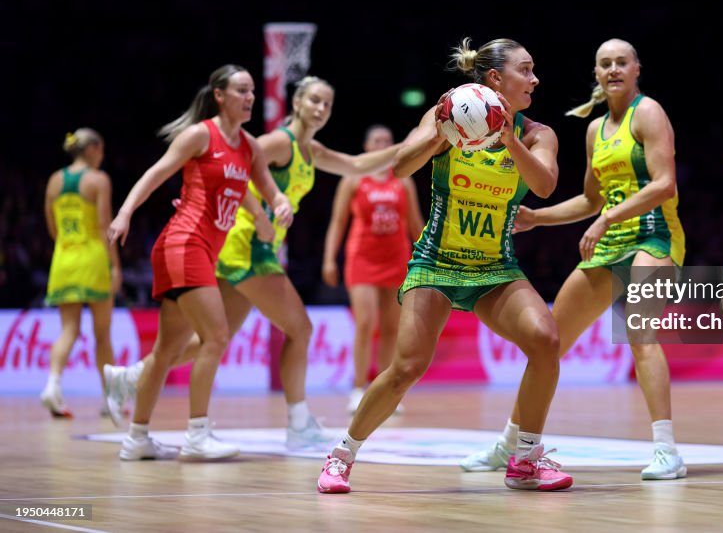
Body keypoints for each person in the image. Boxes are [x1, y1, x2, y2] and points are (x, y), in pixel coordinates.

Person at [317, 38, 571, 494]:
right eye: (526, 70)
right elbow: (398, 167)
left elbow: (546, 184)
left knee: (545, 339)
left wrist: (508, 137)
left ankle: (526, 459)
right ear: (495, 78)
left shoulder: (537, 134)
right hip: (435, 262)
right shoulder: (444, 116)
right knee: (407, 367)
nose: (534, 79)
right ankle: (340, 457)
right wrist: (439, 134)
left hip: (494, 268)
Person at [104, 76, 401, 448]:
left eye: (327, 104)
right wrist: (262, 215)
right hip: (246, 245)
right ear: (296, 103)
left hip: (248, 248)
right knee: (301, 329)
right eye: (314, 101)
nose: (321, 109)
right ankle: (297, 422)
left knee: (208, 340)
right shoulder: (279, 142)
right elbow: (236, 166)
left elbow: (357, 164)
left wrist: (410, 146)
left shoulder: (312, 150)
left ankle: (132, 376)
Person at [460, 38, 689, 480]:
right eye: (605, 64)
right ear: (597, 74)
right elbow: (590, 200)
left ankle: (666, 451)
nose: (613, 69)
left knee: (639, 331)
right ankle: (509, 445)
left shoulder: (649, 112)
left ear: (637, 68)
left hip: (654, 238)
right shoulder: (595, 129)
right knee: (548, 343)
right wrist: (536, 217)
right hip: (607, 243)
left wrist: (607, 220)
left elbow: (664, 184)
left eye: (622, 61)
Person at [107, 64, 294, 461]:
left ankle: (136, 437)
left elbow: (270, 191)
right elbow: (156, 173)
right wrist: (124, 213)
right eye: (241, 91)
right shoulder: (199, 135)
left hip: (201, 250)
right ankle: (196, 436)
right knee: (216, 337)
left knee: (166, 350)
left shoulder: (249, 147)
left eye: (253, 92)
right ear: (219, 95)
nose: (249, 98)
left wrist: (280, 206)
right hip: (183, 243)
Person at [322, 124, 424, 414]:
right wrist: (329, 259)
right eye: (377, 140)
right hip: (362, 259)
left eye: (388, 140)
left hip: (396, 259)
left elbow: (415, 225)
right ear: (367, 147)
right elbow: (338, 222)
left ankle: (385, 391)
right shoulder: (354, 179)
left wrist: (428, 258)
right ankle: (357, 388)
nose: (383, 144)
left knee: (392, 328)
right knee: (365, 323)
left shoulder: (403, 181)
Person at [41, 128, 121, 418]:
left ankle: (53, 385)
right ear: (93, 149)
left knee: (68, 330)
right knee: (102, 334)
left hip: (63, 259)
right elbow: (103, 226)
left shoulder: (53, 180)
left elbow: (52, 228)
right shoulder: (98, 180)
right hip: (93, 259)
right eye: (101, 150)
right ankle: (110, 400)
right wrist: (115, 266)